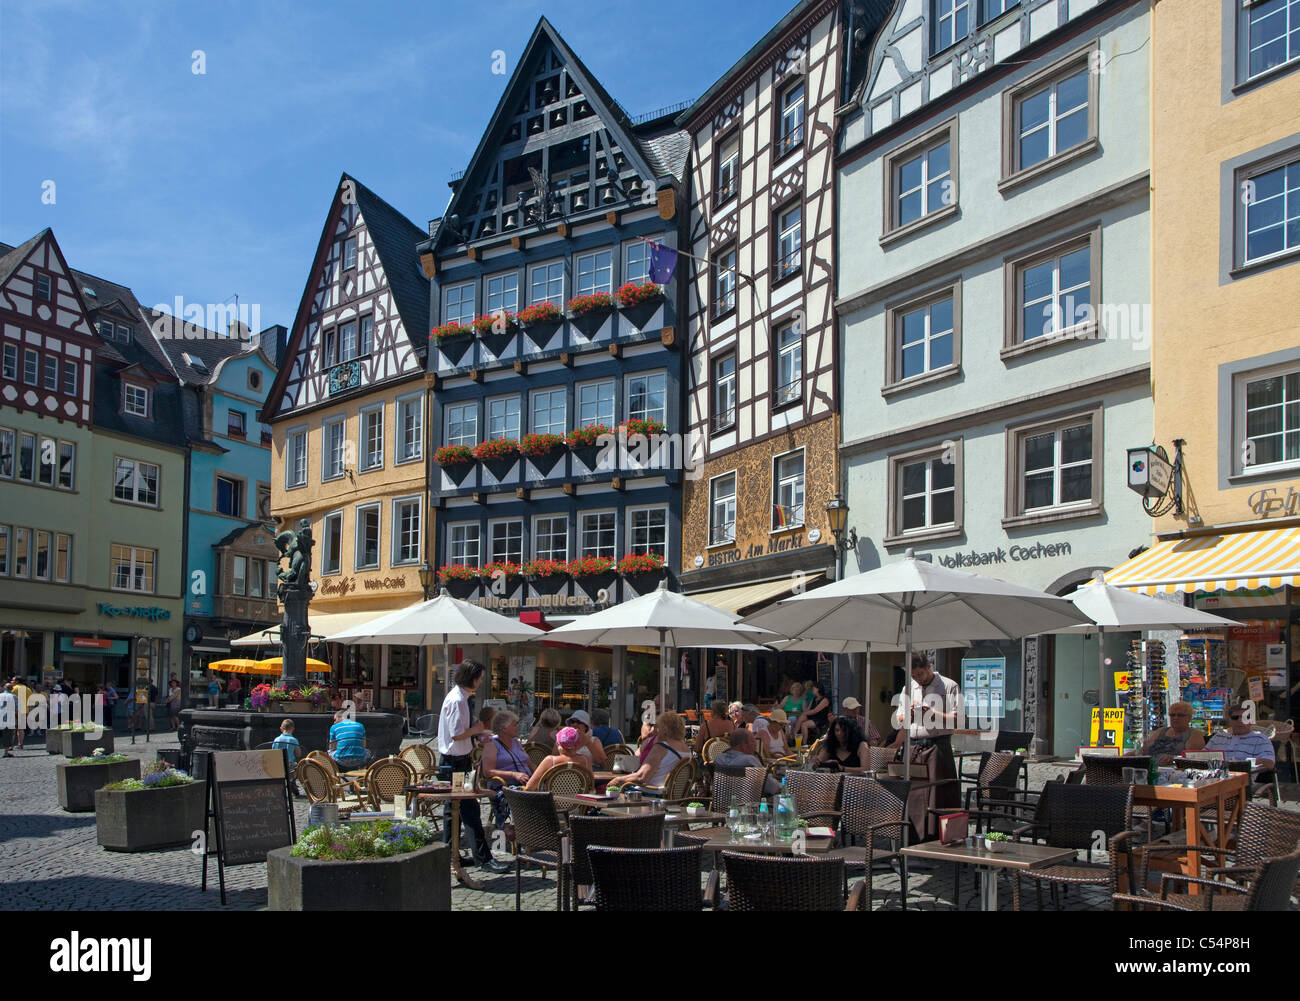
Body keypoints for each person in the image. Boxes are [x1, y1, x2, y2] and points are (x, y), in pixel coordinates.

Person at [437, 660, 509, 873]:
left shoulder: (460, 698)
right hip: (455, 762)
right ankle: (483, 859)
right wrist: (476, 729)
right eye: (480, 678)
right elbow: (456, 734)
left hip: (455, 760)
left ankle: (450, 855)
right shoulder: (458, 700)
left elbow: (460, 734)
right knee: (469, 809)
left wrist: (477, 736)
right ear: (473, 678)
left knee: (454, 810)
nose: (480, 682)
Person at [890, 654, 961, 829]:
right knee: (914, 793)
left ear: (928, 666)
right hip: (913, 746)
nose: (917, 679)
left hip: (937, 745)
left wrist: (932, 714)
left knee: (937, 793)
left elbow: (958, 720)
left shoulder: (949, 686)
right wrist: (909, 715)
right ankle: (914, 833)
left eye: (920, 674)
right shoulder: (909, 688)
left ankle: (937, 833)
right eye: (913, 676)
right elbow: (899, 718)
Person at [481, 710, 534, 828]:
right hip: (505, 785)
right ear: (503, 728)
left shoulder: (516, 742)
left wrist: (540, 775)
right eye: (514, 724)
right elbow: (487, 772)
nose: (517, 727)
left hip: (527, 782)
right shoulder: (492, 744)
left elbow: (529, 763)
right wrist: (513, 774)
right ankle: (520, 829)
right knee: (522, 796)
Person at [610, 713, 690, 791]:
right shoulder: (687, 749)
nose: (655, 731)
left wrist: (617, 779)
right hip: (673, 795)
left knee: (612, 790)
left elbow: (641, 777)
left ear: (665, 730)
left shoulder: (661, 747)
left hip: (652, 793)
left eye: (658, 728)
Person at [1204, 702, 1276, 774]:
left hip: (1243, 780)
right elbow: (1200, 757)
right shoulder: (1218, 737)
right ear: (1229, 720)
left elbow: (1269, 763)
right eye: (1235, 717)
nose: (1240, 721)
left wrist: (1239, 763)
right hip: (1213, 777)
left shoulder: (1260, 739)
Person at [523, 726, 595, 791]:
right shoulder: (586, 760)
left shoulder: (550, 761)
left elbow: (529, 787)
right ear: (577, 744)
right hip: (579, 804)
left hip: (550, 804)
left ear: (557, 743)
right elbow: (590, 786)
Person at [714, 729, 781, 797]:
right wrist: (781, 786)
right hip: (748, 803)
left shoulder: (719, 759)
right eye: (753, 743)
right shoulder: (749, 760)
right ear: (743, 746)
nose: (755, 745)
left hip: (721, 802)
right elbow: (772, 787)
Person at [1137, 701, 1205, 765]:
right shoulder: (1161, 731)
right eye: (1172, 715)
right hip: (1150, 766)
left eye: (1180, 715)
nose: (1175, 718)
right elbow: (1144, 750)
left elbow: (1192, 759)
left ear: (1189, 718)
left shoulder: (1194, 735)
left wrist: (1174, 758)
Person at [9, 678, 31, 752]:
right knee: (21, 729)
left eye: (13, 680)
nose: (11, 681)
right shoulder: (28, 689)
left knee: (12, 729)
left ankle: (10, 745)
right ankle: (20, 744)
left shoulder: (14, 688)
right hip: (25, 710)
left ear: (17, 681)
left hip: (14, 710)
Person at [1, 684, 18, 756]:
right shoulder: (14, 697)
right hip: (9, 719)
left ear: (4, 688)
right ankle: (6, 752)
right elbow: (17, 710)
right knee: (8, 735)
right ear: (12, 689)